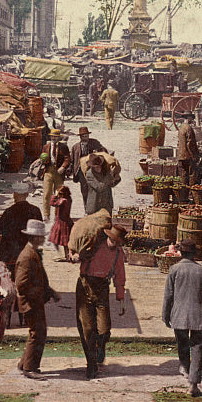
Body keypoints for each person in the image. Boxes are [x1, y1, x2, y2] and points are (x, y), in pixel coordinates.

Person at [162, 239, 202, 397]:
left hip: (179, 315)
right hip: (199, 316)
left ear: (180, 253)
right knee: (197, 347)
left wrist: (165, 316)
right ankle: (193, 383)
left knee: (183, 345)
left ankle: (186, 370)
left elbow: (168, 296)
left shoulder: (174, 270)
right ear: (195, 253)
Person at [75, 224, 127, 379]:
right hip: (85, 285)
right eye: (112, 240)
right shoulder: (94, 246)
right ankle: (91, 366)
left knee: (104, 329)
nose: (114, 243)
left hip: (102, 288)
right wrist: (74, 256)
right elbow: (77, 255)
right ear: (108, 237)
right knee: (88, 329)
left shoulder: (118, 253)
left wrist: (121, 298)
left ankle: (100, 348)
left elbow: (120, 276)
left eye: (117, 241)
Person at [13, 219, 60, 380]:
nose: (43, 239)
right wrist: (39, 293)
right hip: (30, 303)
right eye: (41, 237)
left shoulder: (31, 253)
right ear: (34, 238)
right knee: (38, 333)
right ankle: (30, 368)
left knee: (36, 332)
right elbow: (21, 284)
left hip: (34, 301)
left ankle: (24, 364)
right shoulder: (27, 256)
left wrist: (50, 292)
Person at [0, 190, 43, 278]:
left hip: (10, 255)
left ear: (14, 195)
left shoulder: (9, 211)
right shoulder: (35, 210)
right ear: (27, 195)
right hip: (29, 253)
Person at [68, 126, 107, 211]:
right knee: (84, 191)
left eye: (86, 135)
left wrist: (97, 152)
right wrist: (70, 171)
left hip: (93, 171)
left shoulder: (95, 143)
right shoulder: (75, 147)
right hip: (81, 172)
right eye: (83, 136)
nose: (85, 137)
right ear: (80, 137)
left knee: (95, 190)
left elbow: (104, 151)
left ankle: (96, 208)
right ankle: (87, 208)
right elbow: (72, 160)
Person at [41, 129, 70, 217]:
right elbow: (43, 159)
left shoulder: (63, 147)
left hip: (59, 172)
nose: (53, 138)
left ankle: (57, 215)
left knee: (59, 194)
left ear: (58, 137)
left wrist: (63, 167)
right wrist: (43, 161)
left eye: (55, 136)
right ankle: (46, 215)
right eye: (52, 136)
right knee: (46, 193)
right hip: (48, 171)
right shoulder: (46, 147)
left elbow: (67, 158)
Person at [48, 185, 74, 261]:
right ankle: (66, 255)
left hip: (62, 222)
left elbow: (52, 203)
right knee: (64, 241)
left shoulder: (63, 200)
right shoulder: (68, 199)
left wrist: (54, 195)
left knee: (61, 240)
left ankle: (65, 256)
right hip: (64, 221)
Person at [176, 112, 201, 188]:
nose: (192, 120)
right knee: (192, 173)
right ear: (188, 117)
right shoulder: (188, 128)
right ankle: (191, 192)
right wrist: (193, 155)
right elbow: (190, 144)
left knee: (184, 173)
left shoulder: (181, 128)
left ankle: (184, 191)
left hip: (181, 155)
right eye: (191, 118)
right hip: (188, 155)